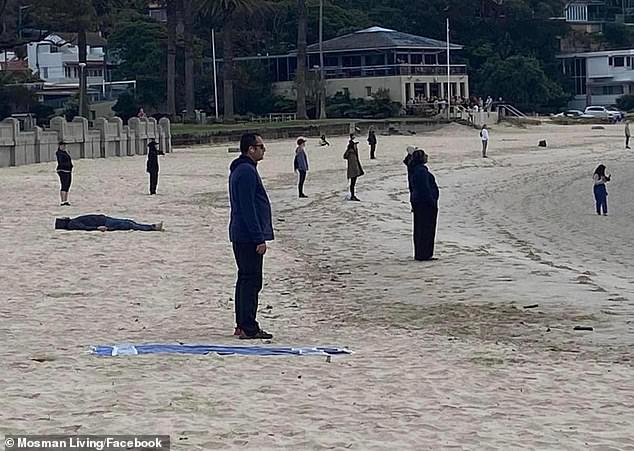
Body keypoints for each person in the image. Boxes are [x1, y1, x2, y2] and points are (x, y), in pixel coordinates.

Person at [228, 133, 274, 340]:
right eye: (260, 146)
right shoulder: (246, 171)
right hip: (247, 236)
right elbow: (248, 207)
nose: (263, 150)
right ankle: (248, 326)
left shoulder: (242, 169)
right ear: (250, 149)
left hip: (241, 233)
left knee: (245, 279)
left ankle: (242, 324)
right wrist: (259, 238)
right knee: (251, 280)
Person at [406, 148, 439, 261]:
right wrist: (432, 201)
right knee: (425, 229)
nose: (427, 156)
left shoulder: (414, 169)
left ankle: (422, 253)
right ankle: (424, 254)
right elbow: (424, 189)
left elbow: (407, 161)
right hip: (425, 204)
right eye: (425, 155)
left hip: (418, 202)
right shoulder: (420, 171)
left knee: (420, 228)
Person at [55, 215, 163, 231]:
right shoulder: (72, 224)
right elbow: (85, 228)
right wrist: (97, 228)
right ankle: (152, 227)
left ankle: (151, 226)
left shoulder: (72, 221)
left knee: (129, 222)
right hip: (104, 222)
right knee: (129, 225)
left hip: (104, 219)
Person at [56, 141, 73, 206]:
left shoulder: (65, 153)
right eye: (62, 146)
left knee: (67, 185)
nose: (63, 147)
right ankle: (63, 201)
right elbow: (61, 162)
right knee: (64, 184)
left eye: (64, 146)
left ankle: (66, 200)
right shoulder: (59, 153)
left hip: (68, 171)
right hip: (63, 170)